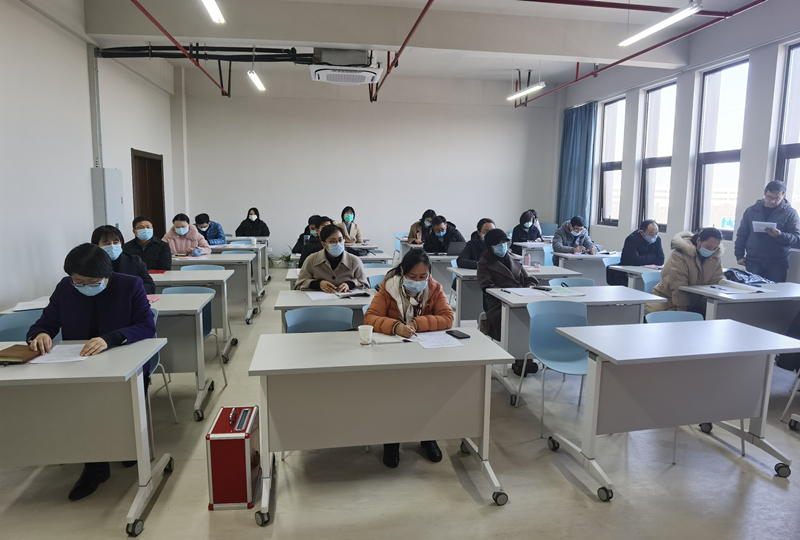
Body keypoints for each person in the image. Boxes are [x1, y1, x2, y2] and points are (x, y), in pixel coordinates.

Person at [27, 243, 156, 501]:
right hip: (79, 363)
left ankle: (126, 445)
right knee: (81, 406)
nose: (85, 286)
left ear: (107, 274)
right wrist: (39, 334)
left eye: (92, 282)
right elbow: (45, 322)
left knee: (121, 405)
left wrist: (110, 339)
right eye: (79, 281)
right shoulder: (65, 287)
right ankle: (95, 466)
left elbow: (146, 326)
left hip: (124, 359)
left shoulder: (129, 284)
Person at [365, 249, 454, 468]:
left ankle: (428, 436)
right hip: (392, 354)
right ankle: (391, 441)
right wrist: (395, 326)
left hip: (425, 353)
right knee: (393, 396)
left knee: (427, 395)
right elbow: (370, 317)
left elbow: (448, 317)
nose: (418, 281)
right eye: (412, 276)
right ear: (402, 273)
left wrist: (418, 323)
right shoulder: (389, 288)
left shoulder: (434, 288)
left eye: (423, 276)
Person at [477, 229, 539, 376]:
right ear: (490, 246)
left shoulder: (514, 258)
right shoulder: (483, 263)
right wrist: (509, 293)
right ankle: (521, 360)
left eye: (505, 242)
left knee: (534, 316)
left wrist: (529, 288)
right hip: (499, 304)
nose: (503, 246)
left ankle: (526, 356)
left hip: (522, 300)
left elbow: (529, 279)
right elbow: (486, 287)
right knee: (516, 319)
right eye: (499, 244)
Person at [734, 180, 800, 283]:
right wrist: (739, 255)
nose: (772, 201)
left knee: (775, 290)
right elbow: (742, 234)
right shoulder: (751, 211)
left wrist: (779, 235)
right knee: (752, 290)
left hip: (777, 262)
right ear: (765, 193)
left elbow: (796, 238)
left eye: (776, 198)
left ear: (783, 195)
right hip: (753, 260)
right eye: (769, 197)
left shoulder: (790, 213)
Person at [647, 228, 724, 313]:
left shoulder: (714, 258)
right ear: (699, 240)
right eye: (708, 247)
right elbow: (677, 285)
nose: (711, 250)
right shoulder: (679, 255)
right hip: (668, 301)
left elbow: (716, 282)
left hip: (694, 303)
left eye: (714, 248)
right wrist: (682, 311)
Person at [295, 225, 369, 291]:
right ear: (323, 244)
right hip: (320, 301)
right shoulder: (311, 260)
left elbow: (365, 285)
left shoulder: (354, 261)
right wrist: (318, 284)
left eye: (340, 240)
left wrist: (350, 284)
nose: (337, 244)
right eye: (332, 241)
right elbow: (299, 284)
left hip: (347, 300)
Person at [91, 225, 155, 294]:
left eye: (115, 242)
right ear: (96, 246)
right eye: (107, 244)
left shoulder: (135, 261)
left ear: (121, 243)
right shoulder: (90, 264)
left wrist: (128, 291)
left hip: (130, 298)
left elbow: (150, 286)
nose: (112, 246)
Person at [609, 219, 666, 286]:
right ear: (642, 232)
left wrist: (642, 259)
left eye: (656, 233)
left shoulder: (657, 239)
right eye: (651, 233)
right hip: (625, 273)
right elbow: (634, 260)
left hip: (645, 271)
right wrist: (653, 256)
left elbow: (661, 260)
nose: (654, 235)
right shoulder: (632, 239)